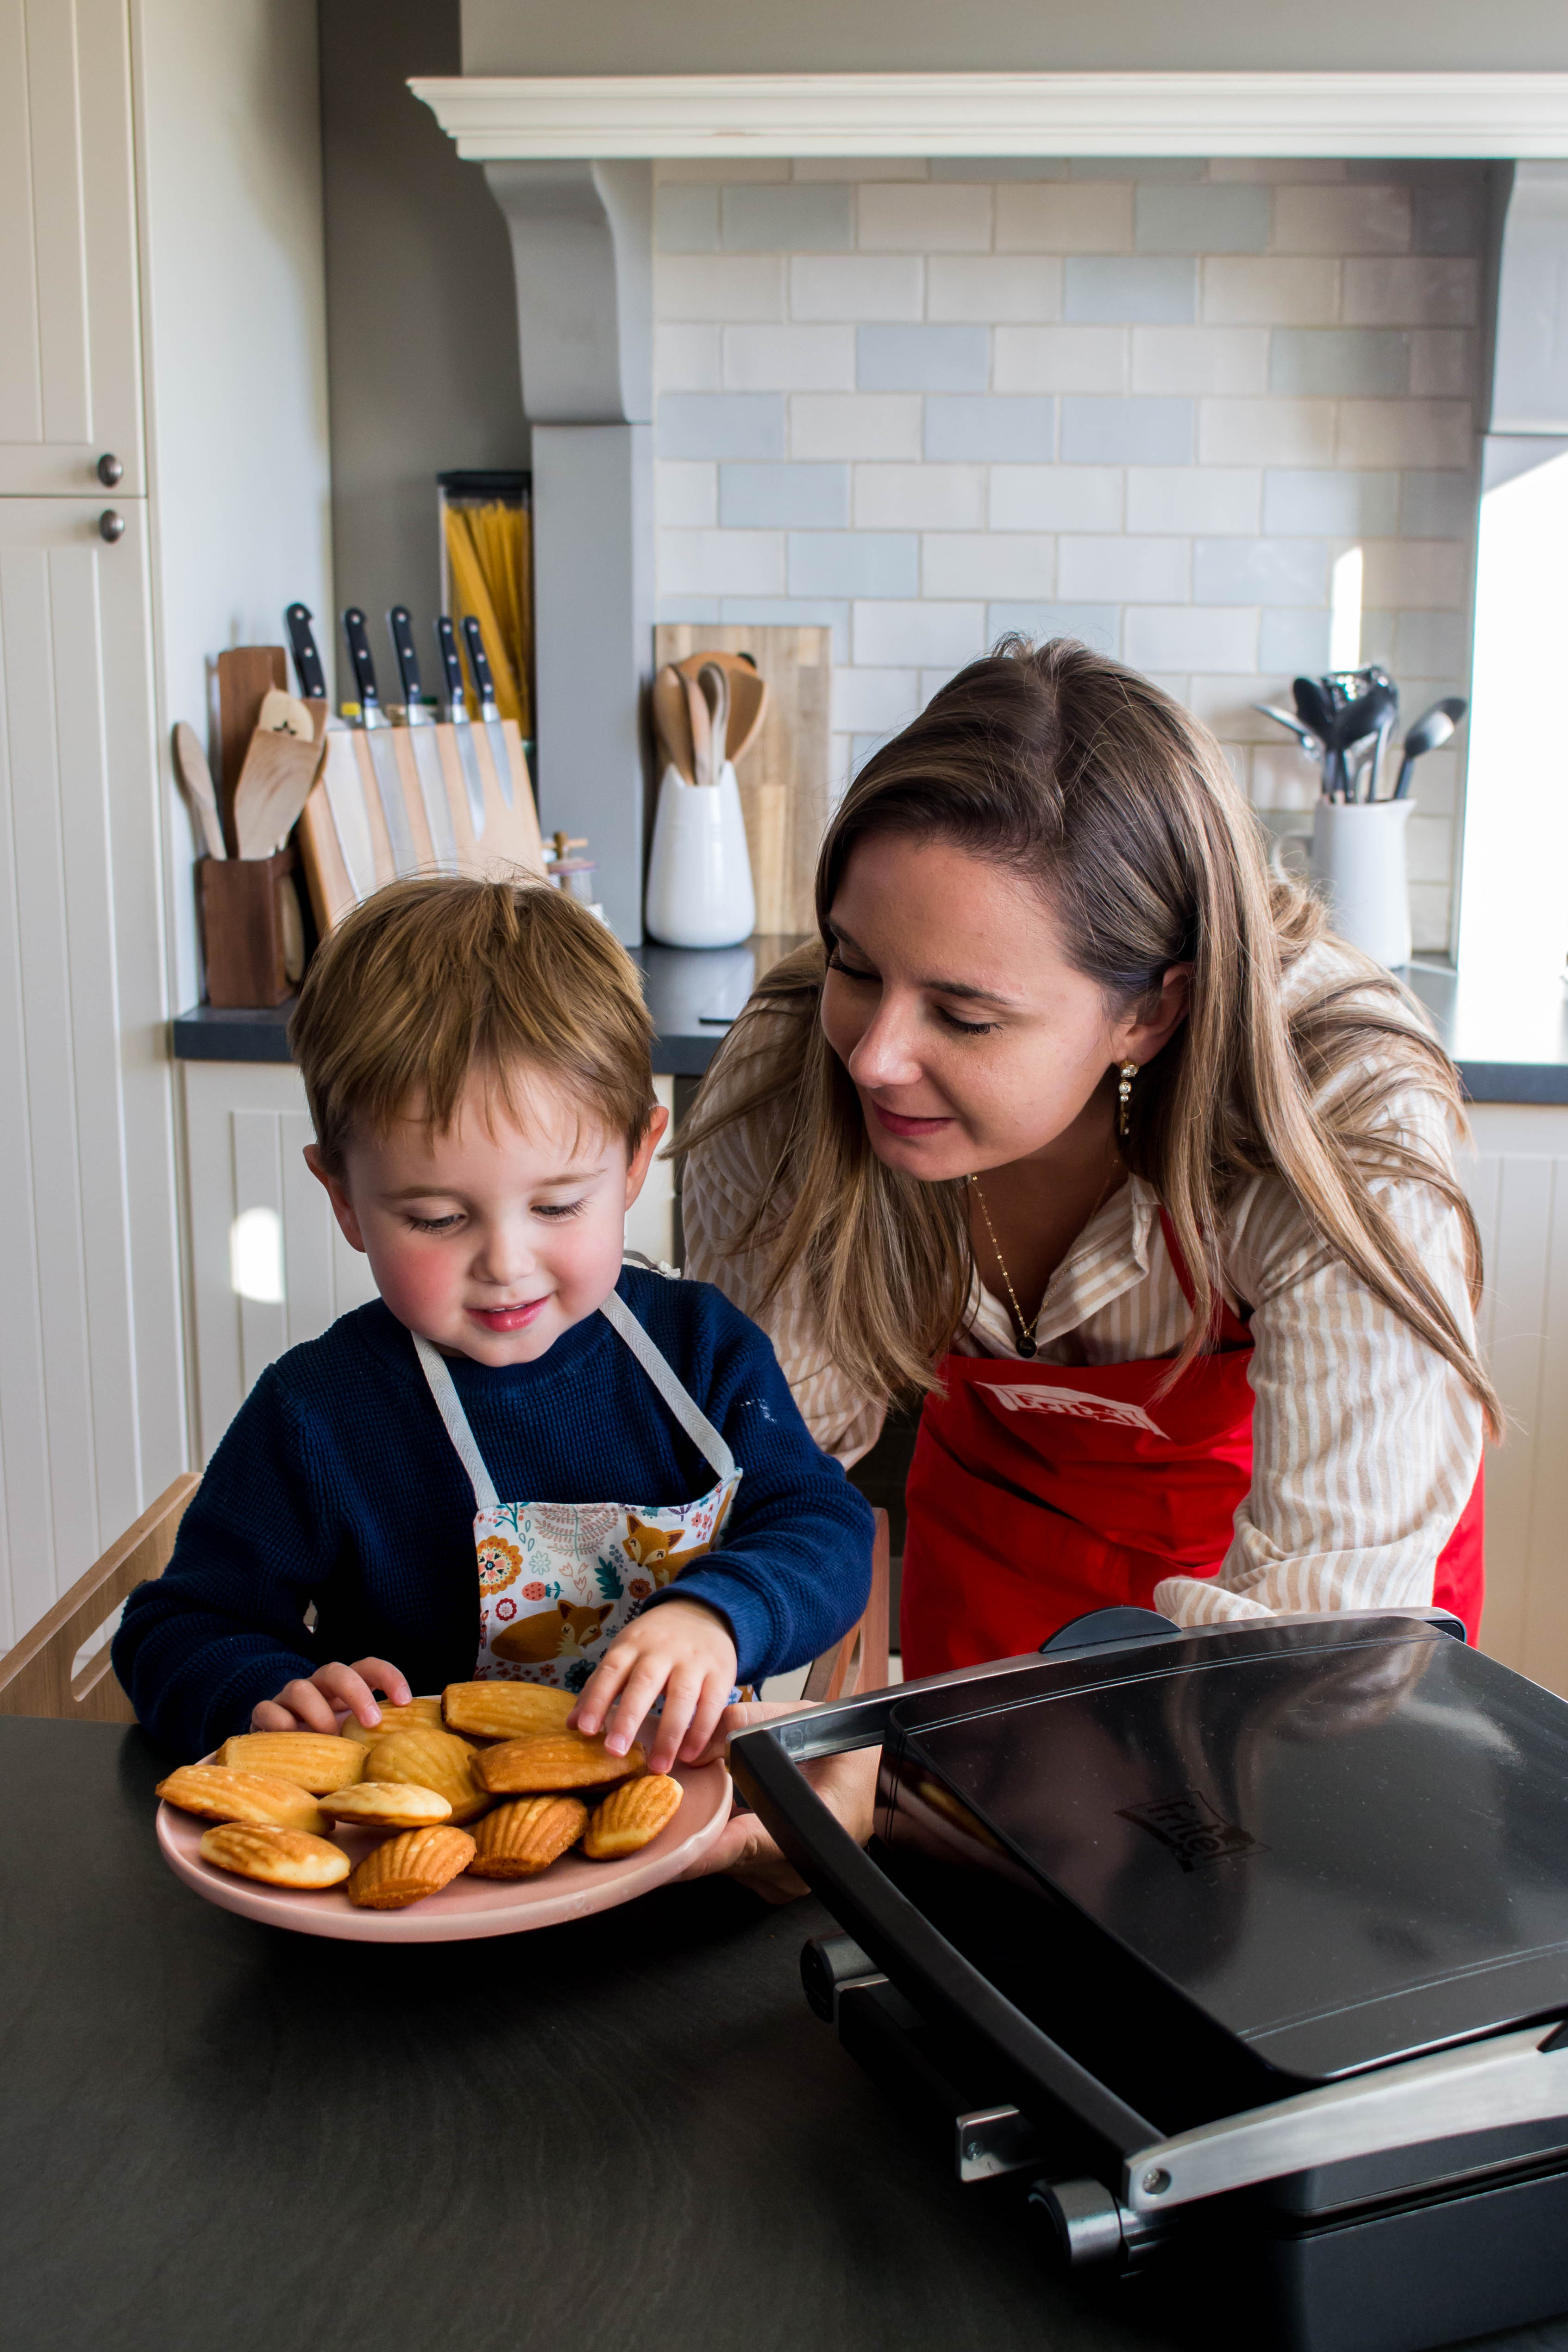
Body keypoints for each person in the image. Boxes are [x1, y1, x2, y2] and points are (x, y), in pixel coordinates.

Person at [679, 636, 1496, 1692]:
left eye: (965, 1016)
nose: (873, 1057)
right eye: (855, 964)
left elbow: (1320, 1624)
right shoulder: (796, 1063)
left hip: (1295, 1572)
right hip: (998, 1542)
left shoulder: (1335, 1098)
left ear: (1150, 1011)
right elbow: (762, 1466)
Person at [113, 878, 873, 1770]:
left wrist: (719, 1613)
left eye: (557, 1206)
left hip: (681, 1813)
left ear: (635, 1162)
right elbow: (177, 1626)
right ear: (344, 1199)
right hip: (424, 1840)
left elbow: (823, 1525)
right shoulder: (316, 1415)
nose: (506, 1263)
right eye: (437, 1219)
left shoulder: (702, 1351)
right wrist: (266, 1691)